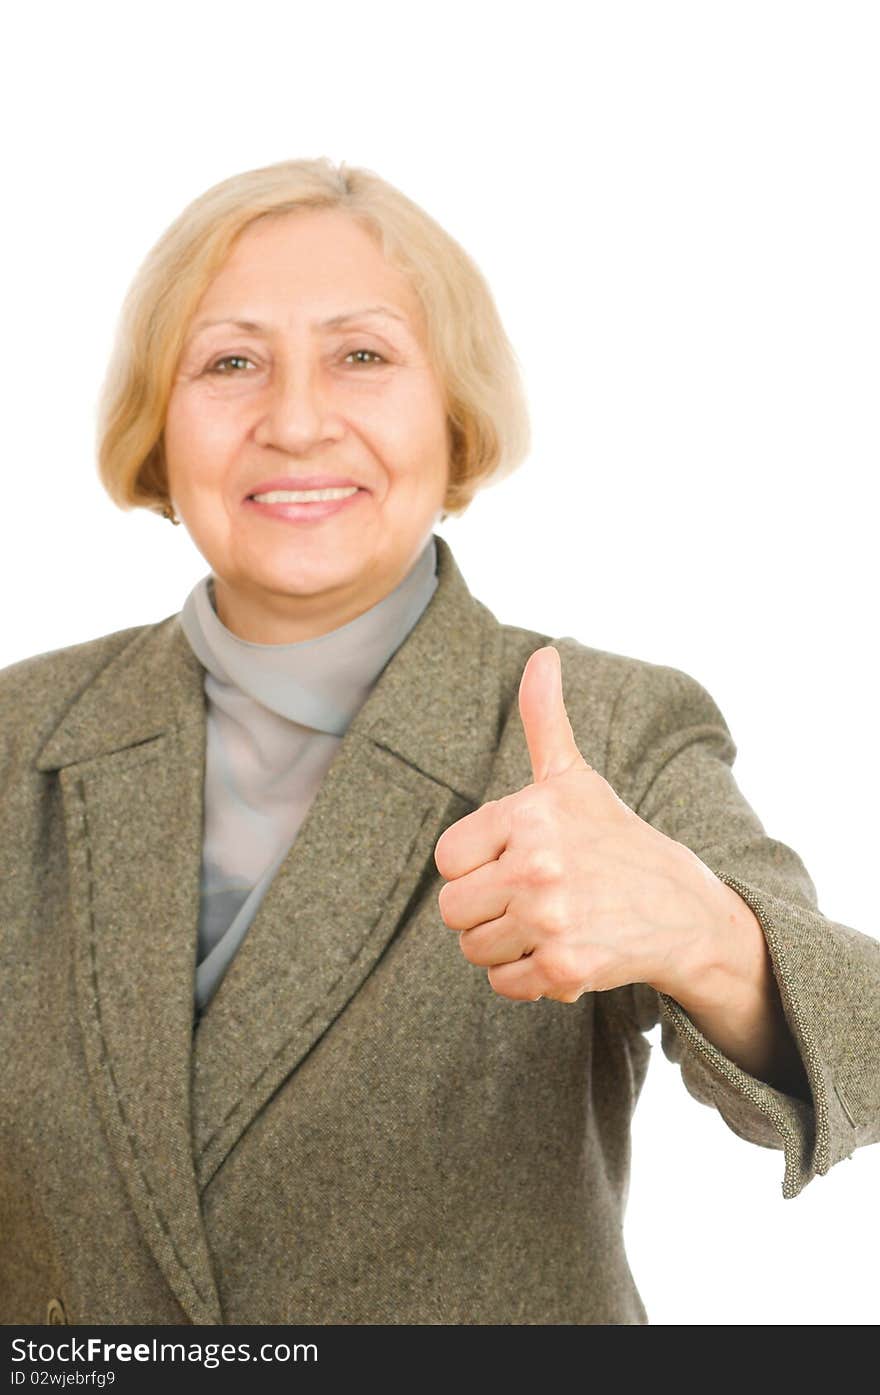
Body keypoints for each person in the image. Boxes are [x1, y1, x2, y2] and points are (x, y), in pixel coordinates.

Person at [1, 156, 877, 1328]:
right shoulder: (20, 738)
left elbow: (861, 1045)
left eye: (362, 356)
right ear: (156, 430)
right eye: (230, 362)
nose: (298, 419)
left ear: (456, 415)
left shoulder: (606, 723)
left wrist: (707, 935)